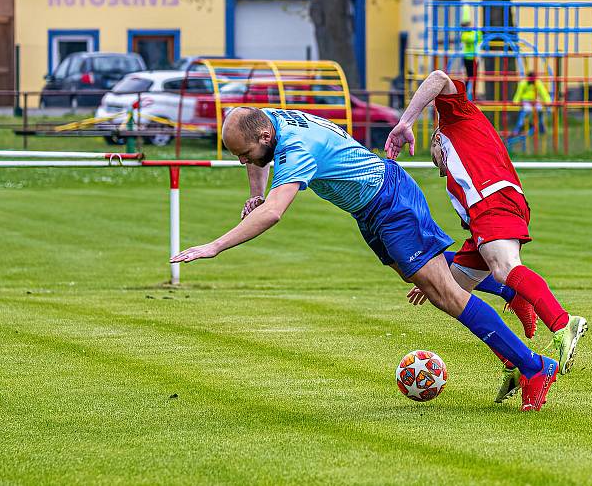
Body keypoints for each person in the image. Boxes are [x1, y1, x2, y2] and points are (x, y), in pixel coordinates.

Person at [170, 106, 560, 411]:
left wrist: (215, 246)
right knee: (425, 278)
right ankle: (510, 293)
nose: (245, 162)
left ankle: (533, 367)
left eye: (246, 154)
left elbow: (273, 212)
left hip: (389, 201)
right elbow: (260, 164)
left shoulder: (296, 147)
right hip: (371, 207)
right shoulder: (266, 123)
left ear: (265, 135)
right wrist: (255, 188)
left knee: (444, 292)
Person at [385, 70, 587, 403]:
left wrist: (406, 121)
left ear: (436, 139)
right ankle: (520, 362)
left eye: (433, 155)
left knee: (505, 268)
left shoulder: (456, 119)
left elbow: (438, 78)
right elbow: (461, 255)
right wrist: (430, 275)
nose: (436, 163)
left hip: (494, 201)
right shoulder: (455, 179)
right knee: (449, 292)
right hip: (488, 213)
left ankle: (563, 322)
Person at [513, 71, 551, 135]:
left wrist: (548, 101)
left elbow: (543, 92)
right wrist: (515, 101)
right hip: (526, 101)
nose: (533, 80)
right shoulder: (523, 83)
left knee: (540, 111)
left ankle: (541, 130)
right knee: (524, 113)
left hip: (535, 100)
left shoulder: (538, 82)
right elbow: (518, 93)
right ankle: (517, 130)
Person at [460, 20, 482, 95]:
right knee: (469, 76)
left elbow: (479, 38)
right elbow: (471, 39)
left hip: (475, 57)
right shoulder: (465, 34)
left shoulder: (474, 32)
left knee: (474, 76)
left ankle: (473, 94)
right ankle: (466, 92)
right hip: (467, 57)